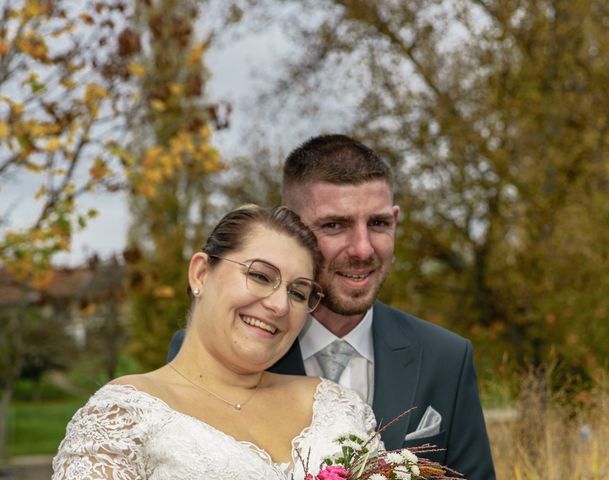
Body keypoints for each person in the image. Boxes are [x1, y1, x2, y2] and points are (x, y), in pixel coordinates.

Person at [169, 135, 496, 479]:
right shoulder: (224, 349)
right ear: (292, 229)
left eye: (379, 223)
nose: (362, 249)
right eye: (334, 225)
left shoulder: (446, 357)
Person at [52, 205, 381, 480]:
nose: (280, 305)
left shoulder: (336, 406)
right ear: (200, 274)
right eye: (260, 276)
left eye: (298, 292)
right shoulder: (121, 418)